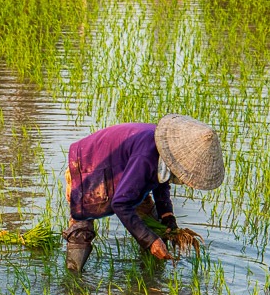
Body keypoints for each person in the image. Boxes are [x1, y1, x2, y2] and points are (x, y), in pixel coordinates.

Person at [63, 114, 225, 271]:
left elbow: (161, 181)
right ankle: (73, 283)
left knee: (155, 226)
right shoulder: (146, 156)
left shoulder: (165, 151)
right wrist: (151, 241)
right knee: (82, 228)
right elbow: (120, 204)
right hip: (90, 168)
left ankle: (150, 277)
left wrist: (167, 216)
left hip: (124, 170)